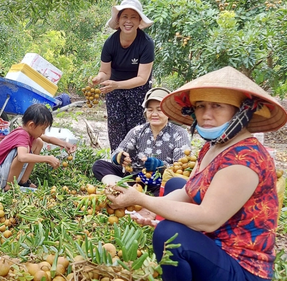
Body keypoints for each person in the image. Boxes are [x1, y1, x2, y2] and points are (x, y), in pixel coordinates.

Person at [106, 66, 287, 281]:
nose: (206, 114)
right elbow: (187, 192)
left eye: (217, 106)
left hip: (242, 266)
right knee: (175, 186)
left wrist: (141, 198)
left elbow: (208, 219)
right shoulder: (212, 147)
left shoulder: (246, 157)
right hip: (214, 244)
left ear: (241, 111)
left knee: (168, 234)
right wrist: (148, 208)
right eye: (200, 106)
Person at [92, 87, 191, 196]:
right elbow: (117, 153)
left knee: (176, 185)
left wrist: (161, 166)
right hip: (136, 178)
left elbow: (181, 168)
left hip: (160, 181)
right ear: (145, 111)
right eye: (150, 110)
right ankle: (125, 188)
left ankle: (130, 192)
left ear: (168, 112)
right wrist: (119, 158)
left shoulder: (179, 133)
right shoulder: (138, 131)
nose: (154, 114)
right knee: (99, 165)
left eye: (159, 110)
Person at [92, 0, 155, 150]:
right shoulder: (110, 43)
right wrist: (98, 78)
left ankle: (136, 166)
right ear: (118, 20)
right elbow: (105, 72)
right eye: (124, 16)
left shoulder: (146, 44)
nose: (128, 21)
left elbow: (142, 79)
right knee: (115, 126)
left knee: (136, 128)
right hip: (114, 90)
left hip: (138, 90)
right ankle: (117, 163)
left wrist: (116, 84)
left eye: (133, 17)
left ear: (139, 21)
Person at [0, 104, 77, 191]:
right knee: (25, 150)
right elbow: (22, 157)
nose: (43, 132)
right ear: (31, 125)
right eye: (42, 129)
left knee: (38, 142)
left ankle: (23, 181)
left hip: (3, 174)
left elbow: (49, 139)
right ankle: (9, 188)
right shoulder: (21, 135)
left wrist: (65, 144)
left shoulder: (27, 131)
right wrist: (47, 158)